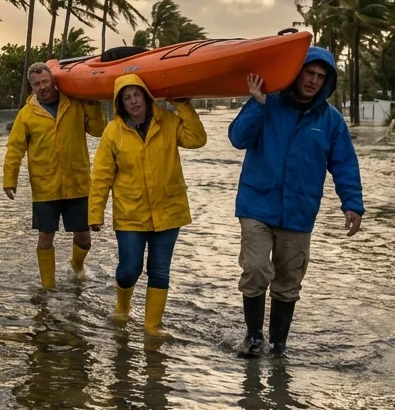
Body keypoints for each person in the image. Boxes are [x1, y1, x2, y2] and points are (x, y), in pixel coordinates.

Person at [229, 47, 364, 356]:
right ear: (297, 72)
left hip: (300, 212)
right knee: (256, 267)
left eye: (320, 77)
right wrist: (257, 104)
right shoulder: (268, 102)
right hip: (256, 205)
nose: (313, 81)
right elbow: (238, 138)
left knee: (289, 280)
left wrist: (352, 203)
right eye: (309, 73)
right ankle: (253, 337)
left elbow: (345, 163)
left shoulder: (331, 121)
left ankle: (278, 346)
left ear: (326, 82)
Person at [88, 75, 207, 335]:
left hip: (169, 210)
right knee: (129, 270)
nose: (133, 101)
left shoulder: (168, 120)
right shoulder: (113, 131)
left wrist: (183, 106)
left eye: (137, 95)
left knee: (159, 270)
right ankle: (122, 307)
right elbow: (101, 176)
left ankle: (152, 327)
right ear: (120, 103)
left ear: (146, 96)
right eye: (127, 97)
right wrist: (95, 213)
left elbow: (197, 139)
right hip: (131, 212)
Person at [3, 62, 107, 288]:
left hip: (77, 183)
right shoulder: (26, 114)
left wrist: (92, 104)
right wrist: (9, 179)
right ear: (33, 88)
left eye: (45, 82)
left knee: (84, 237)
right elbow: (15, 149)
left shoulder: (76, 104)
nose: (42, 87)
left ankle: (77, 267)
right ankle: (47, 286)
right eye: (37, 84)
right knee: (44, 238)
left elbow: (99, 130)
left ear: (54, 81)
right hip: (44, 187)